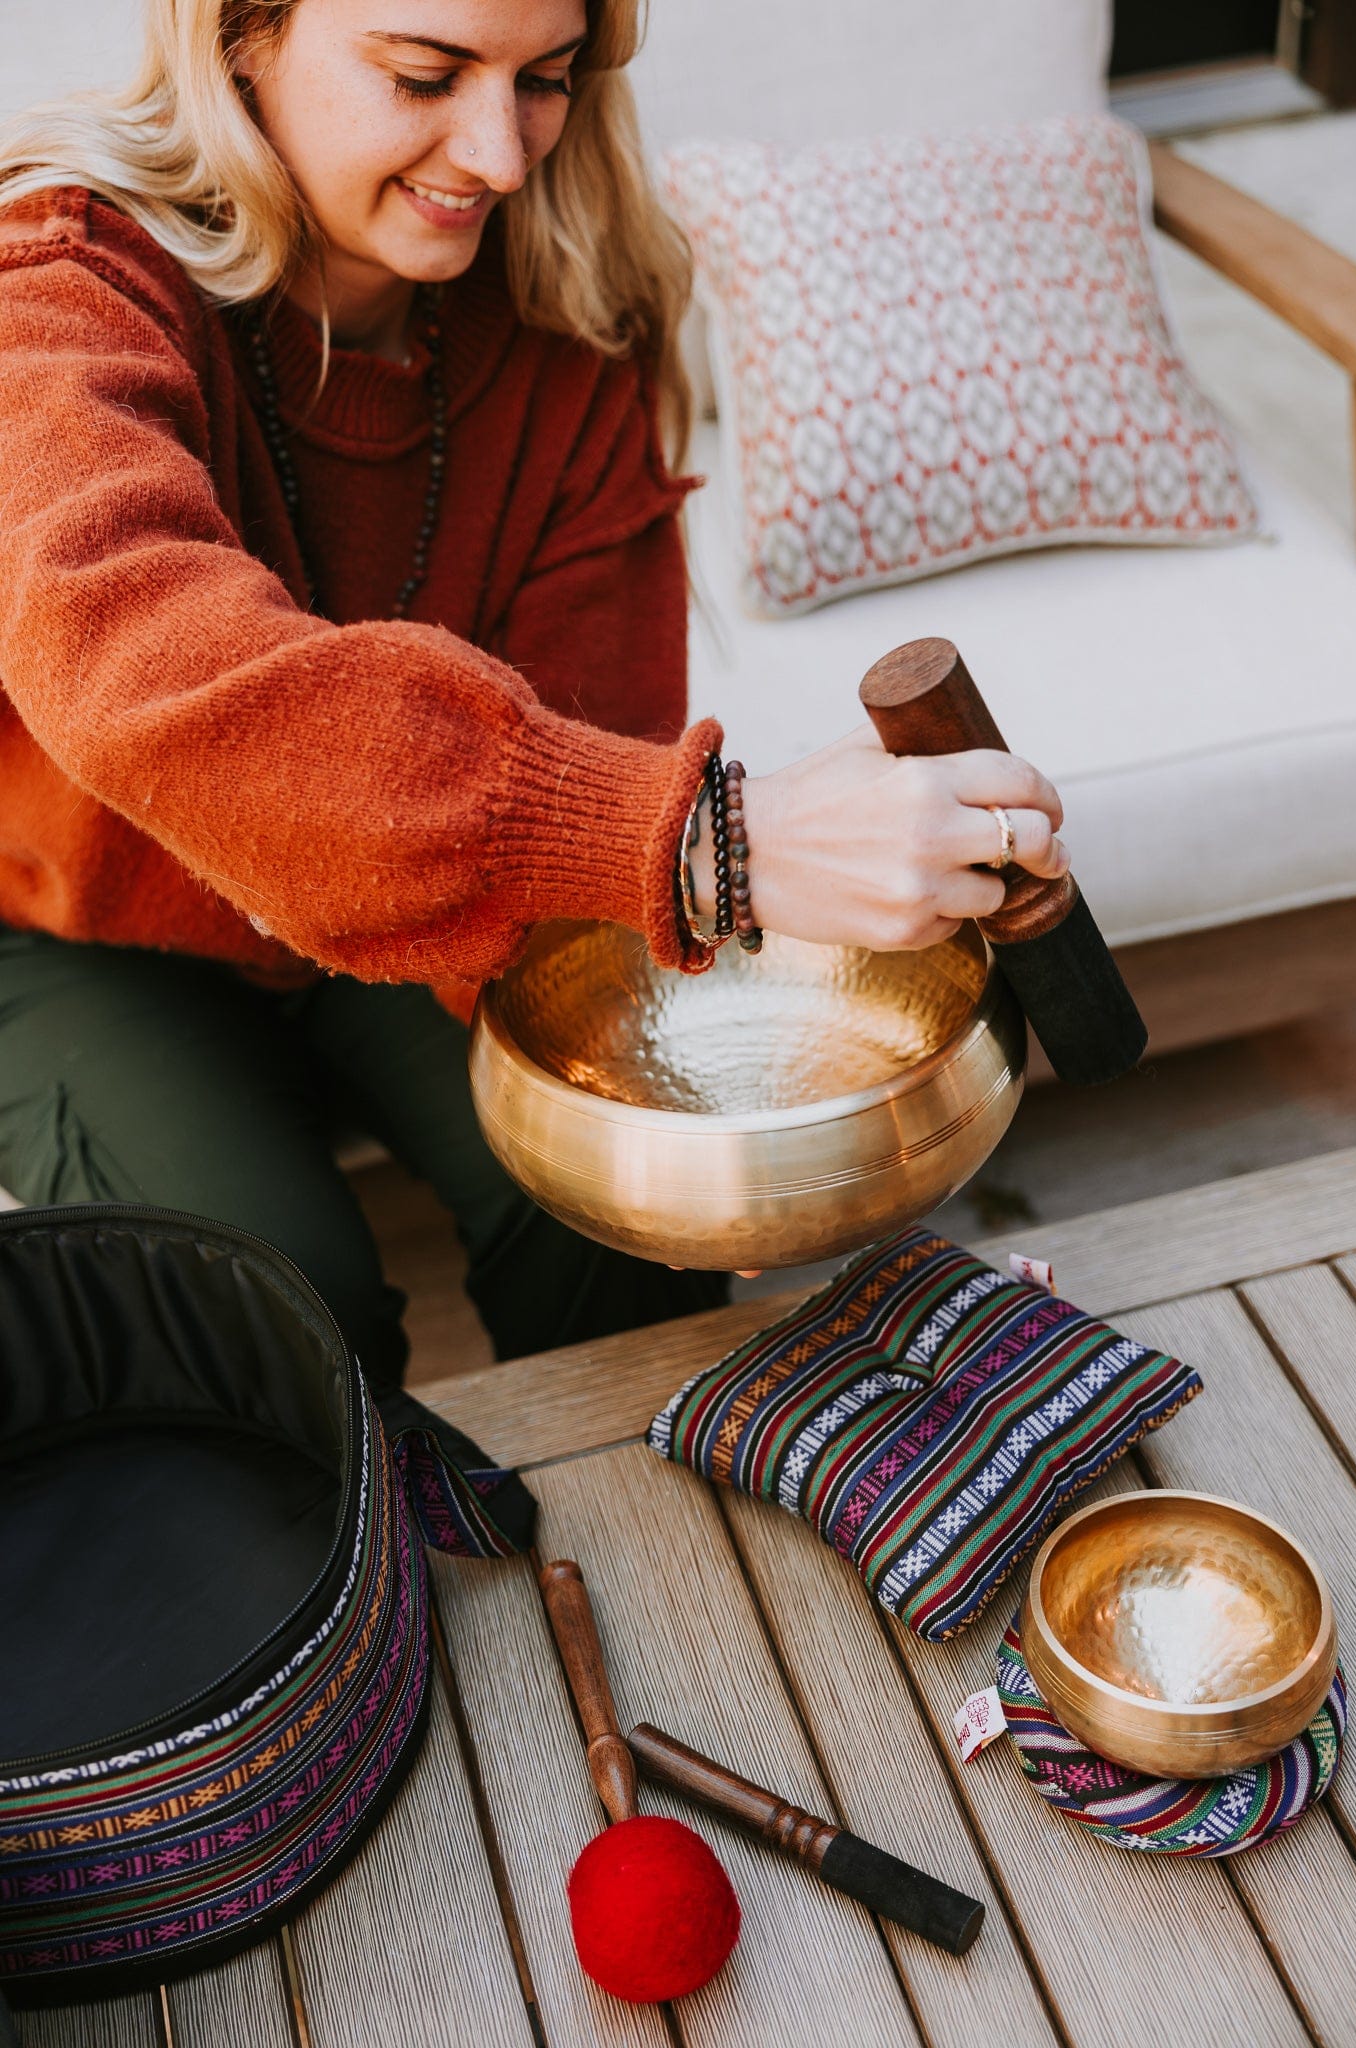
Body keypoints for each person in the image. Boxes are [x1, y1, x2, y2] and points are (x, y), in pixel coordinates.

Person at [0, 0, 1068, 1408]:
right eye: (425, 75)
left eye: (546, 80)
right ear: (242, 34)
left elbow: (592, 747)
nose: (501, 156)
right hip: (77, 919)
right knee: (279, 1310)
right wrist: (717, 844)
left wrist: (720, 935)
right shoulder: (60, 282)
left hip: (409, 888)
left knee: (617, 1205)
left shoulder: (567, 312)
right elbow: (136, 657)